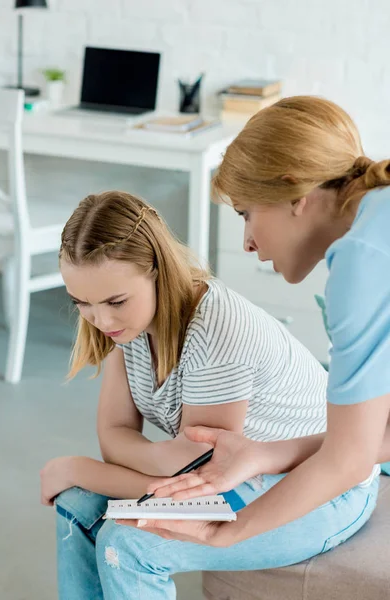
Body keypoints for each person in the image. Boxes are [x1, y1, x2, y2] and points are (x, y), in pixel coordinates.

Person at [41, 183, 378, 600]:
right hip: (236, 476)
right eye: (82, 303)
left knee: (127, 543)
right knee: (76, 506)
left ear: (158, 272)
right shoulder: (123, 324)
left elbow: (193, 470)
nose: (99, 319)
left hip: (320, 485)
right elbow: (114, 437)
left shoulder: (216, 329)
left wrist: (81, 468)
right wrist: (149, 461)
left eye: (115, 300)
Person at [116, 95, 390, 559]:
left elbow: (349, 459)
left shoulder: (363, 262)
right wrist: (266, 453)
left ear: (294, 195)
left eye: (246, 213)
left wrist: (227, 532)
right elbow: (373, 436)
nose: (246, 242)